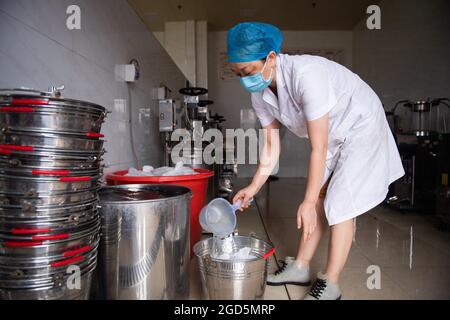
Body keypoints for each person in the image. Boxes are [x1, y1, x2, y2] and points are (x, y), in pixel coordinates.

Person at [229, 22, 405, 300]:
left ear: (271, 58)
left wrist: (310, 201)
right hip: (334, 138)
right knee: (319, 199)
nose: (244, 79)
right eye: (237, 73)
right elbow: (272, 146)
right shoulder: (260, 93)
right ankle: (300, 267)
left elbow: (318, 148)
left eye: (248, 71)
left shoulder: (307, 74)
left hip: (360, 127)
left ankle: (331, 283)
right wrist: (253, 187)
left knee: (338, 203)